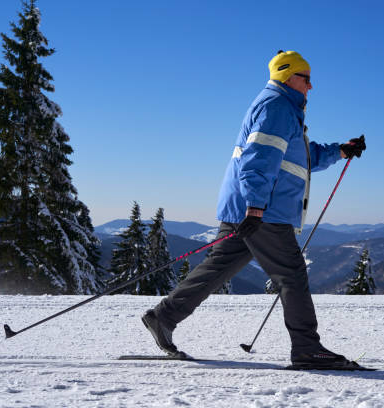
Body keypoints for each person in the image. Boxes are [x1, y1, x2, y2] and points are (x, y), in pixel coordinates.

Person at [142, 50, 366, 368]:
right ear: (288, 76)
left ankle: (162, 317)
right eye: (307, 78)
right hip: (264, 210)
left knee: (218, 267)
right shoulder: (276, 106)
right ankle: (307, 349)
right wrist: (257, 207)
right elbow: (257, 158)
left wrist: (340, 151)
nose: (311, 86)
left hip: (246, 207)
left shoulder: (283, 109)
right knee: (291, 274)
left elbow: (300, 157)